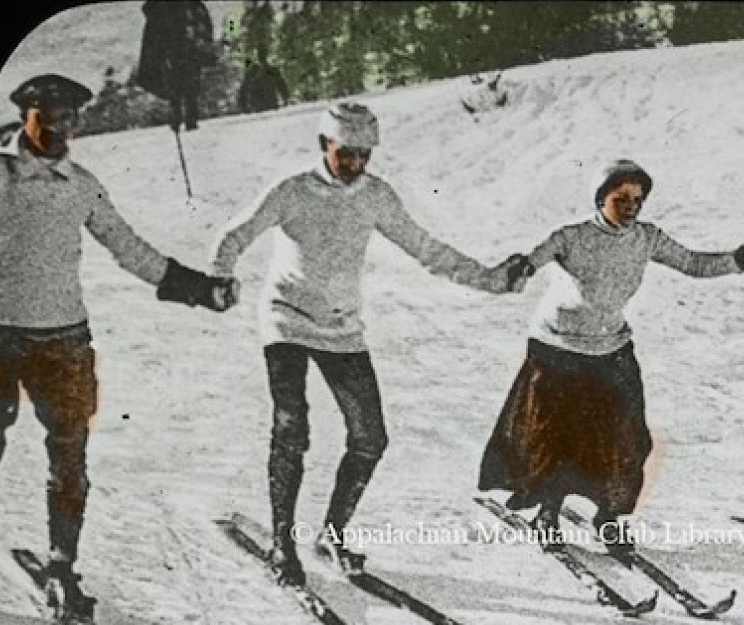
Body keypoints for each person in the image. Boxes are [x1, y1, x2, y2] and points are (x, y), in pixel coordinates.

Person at [211, 101, 528, 587]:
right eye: (346, 154)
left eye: (364, 155)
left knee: (370, 437)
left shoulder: (376, 196)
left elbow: (427, 249)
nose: (356, 164)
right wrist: (220, 276)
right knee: (292, 426)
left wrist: (491, 280)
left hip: (342, 328)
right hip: (287, 321)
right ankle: (282, 543)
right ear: (323, 145)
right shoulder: (292, 192)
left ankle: (333, 533)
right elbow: (234, 236)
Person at [0, 74, 239, 617]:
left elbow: (130, 249)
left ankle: (63, 569)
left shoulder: (81, 183)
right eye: (49, 116)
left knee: (70, 459)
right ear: (24, 116)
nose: (60, 128)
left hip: (64, 339)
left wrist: (201, 289)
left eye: (70, 118)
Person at [478, 158, 744, 545]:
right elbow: (533, 260)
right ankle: (548, 514)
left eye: (637, 200)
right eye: (620, 199)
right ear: (600, 199)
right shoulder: (571, 237)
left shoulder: (647, 238)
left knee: (628, 438)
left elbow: (693, 263)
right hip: (557, 348)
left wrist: (737, 260)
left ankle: (609, 517)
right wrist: (521, 270)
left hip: (611, 345)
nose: (630, 207)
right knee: (556, 438)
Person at [137, 0, 216, 131]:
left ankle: (187, 120)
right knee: (177, 89)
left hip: (188, 52)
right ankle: (179, 119)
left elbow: (203, 26)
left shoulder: (192, 6)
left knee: (188, 88)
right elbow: (156, 35)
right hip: (174, 53)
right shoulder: (162, 9)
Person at [238, 47, 289, 115]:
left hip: (263, 105)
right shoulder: (253, 71)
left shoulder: (270, 70)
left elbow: (244, 89)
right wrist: (285, 98)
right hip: (264, 104)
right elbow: (282, 85)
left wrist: (243, 106)